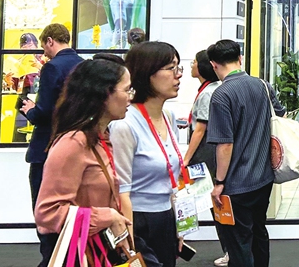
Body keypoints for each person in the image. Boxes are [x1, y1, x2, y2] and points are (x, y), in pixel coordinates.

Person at [34, 58, 133, 266]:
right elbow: (47, 213)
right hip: (79, 255)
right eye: (127, 90)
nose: (130, 98)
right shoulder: (73, 143)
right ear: (105, 94)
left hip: (100, 250)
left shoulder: (100, 138)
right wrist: (107, 217)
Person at [110, 41, 188, 267]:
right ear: (148, 73)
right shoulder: (126, 124)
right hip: (138, 220)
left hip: (165, 218)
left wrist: (179, 226)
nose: (178, 75)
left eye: (178, 68)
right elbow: (121, 190)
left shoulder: (169, 116)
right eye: (171, 68)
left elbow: (172, 179)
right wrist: (130, 243)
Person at [206, 39, 275, 267]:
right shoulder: (262, 85)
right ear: (240, 58)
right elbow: (281, 115)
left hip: (236, 183)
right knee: (259, 232)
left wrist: (219, 182)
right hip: (263, 177)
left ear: (214, 65)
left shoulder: (222, 95)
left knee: (239, 242)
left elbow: (224, 144)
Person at [21, 21, 83, 265]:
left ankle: (50, 259)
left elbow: (45, 110)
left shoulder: (52, 68)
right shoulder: (83, 65)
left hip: (48, 145)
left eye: (44, 46)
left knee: (44, 207)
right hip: (76, 143)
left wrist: (30, 111)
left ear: (49, 41)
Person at [184, 50, 228, 267]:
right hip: (209, 154)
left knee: (215, 202)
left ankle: (229, 249)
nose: (190, 65)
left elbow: (200, 130)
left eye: (193, 62)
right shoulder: (211, 90)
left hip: (205, 155)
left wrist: (186, 158)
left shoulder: (207, 93)